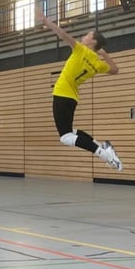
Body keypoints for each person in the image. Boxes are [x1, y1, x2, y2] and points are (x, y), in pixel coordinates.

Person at [36, 10, 123, 171]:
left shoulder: (80, 49)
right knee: (71, 131)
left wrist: (47, 22)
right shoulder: (97, 64)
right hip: (72, 98)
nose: (84, 36)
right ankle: (101, 146)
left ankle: (105, 156)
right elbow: (115, 69)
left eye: (88, 35)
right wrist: (104, 54)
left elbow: (63, 35)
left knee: (65, 137)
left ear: (93, 41)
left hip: (62, 94)